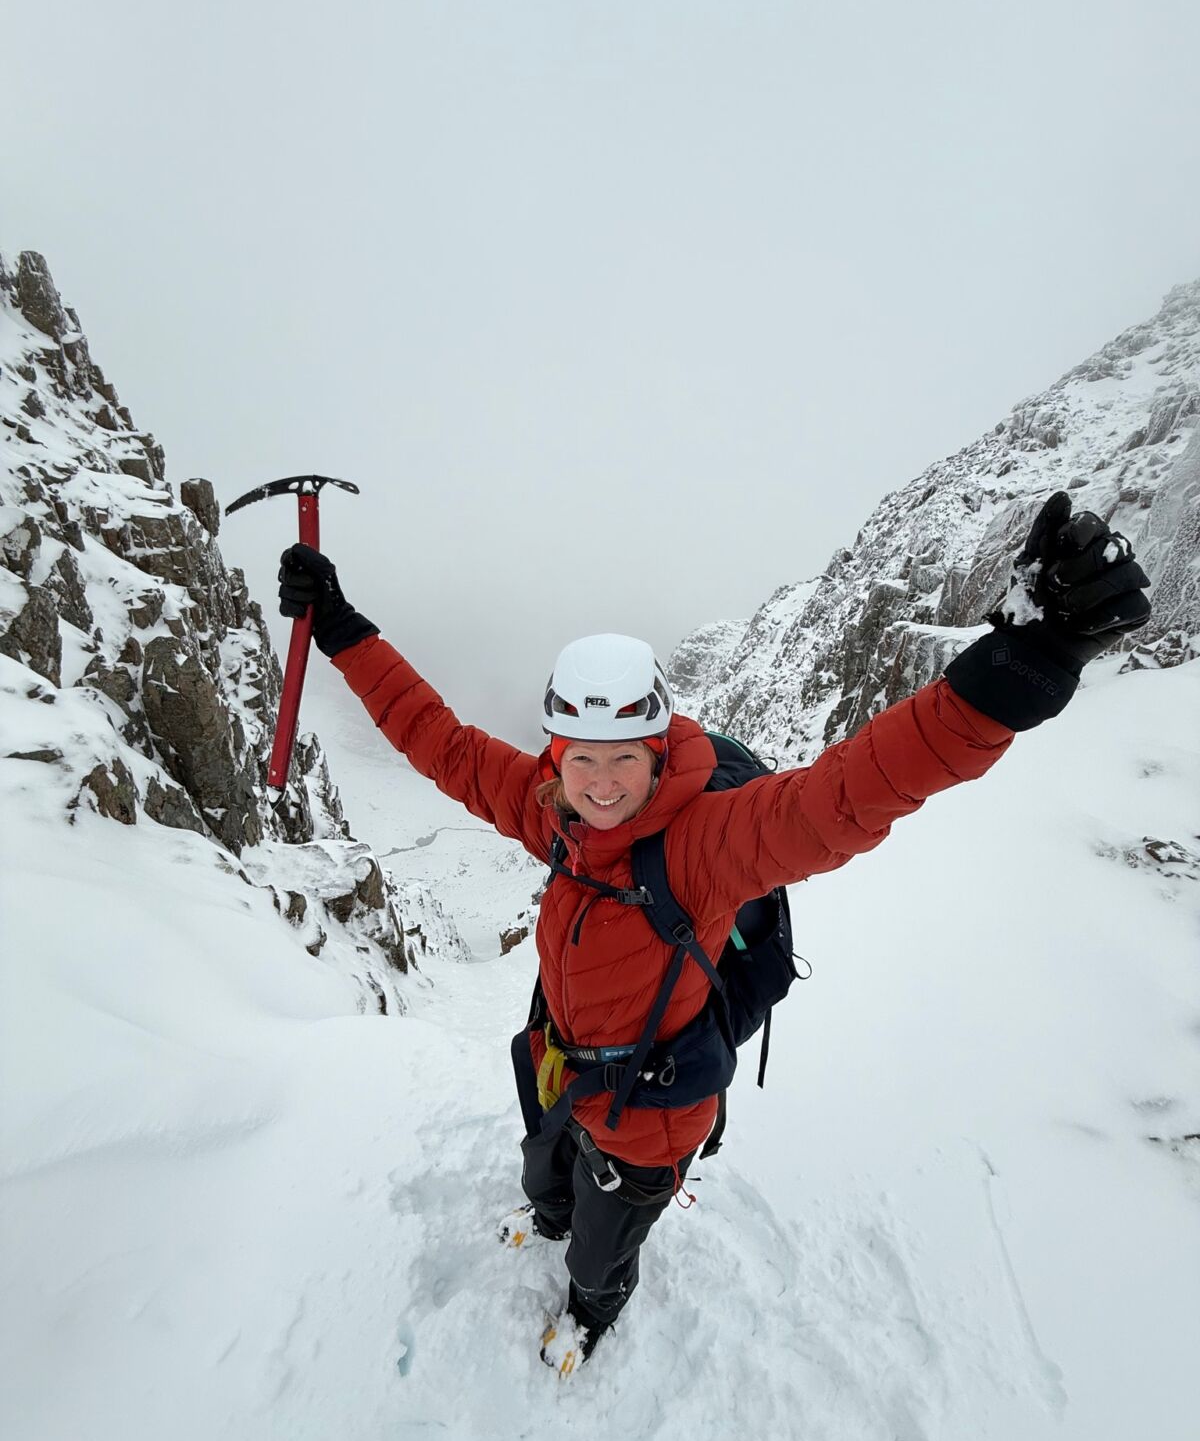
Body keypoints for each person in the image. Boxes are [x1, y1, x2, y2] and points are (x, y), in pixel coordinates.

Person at [278, 493, 1150, 1375]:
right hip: (557, 1064)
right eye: (583, 757)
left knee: (603, 1240)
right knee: (546, 1177)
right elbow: (438, 740)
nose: (605, 783)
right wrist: (344, 628)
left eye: (626, 758)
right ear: (555, 758)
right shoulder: (554, 815)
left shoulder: (710, 844)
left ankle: (593, 1305)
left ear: (661, 751)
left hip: (649, 1116)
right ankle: (548, 1214)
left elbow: (849, 791)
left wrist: (1021, 669)